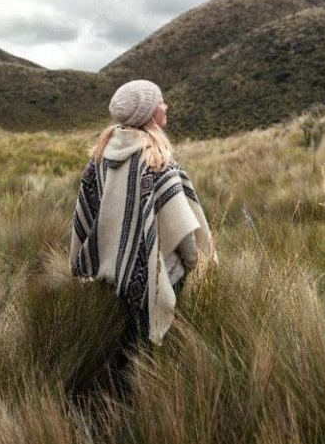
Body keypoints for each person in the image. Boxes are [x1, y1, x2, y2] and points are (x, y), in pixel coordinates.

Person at [69, 79, 217, 357]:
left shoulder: (99, 159)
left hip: (110, 275)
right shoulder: (158, 162)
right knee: (154, 352)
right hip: (158, 274)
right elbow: (182, 231)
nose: (165, 105)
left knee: (121, 347)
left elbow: (86, 214)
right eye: (160, 101)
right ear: (148, 113)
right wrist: (192, 262)